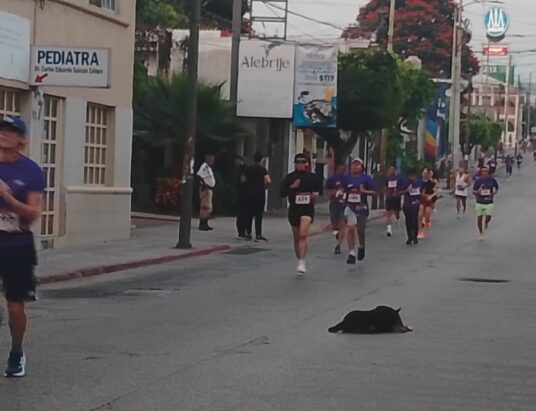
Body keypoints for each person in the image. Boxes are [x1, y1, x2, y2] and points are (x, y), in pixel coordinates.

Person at [0, 116, 45, 378]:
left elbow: (33, 213)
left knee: (15, 306)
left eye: (11, 131)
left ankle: (16, 351)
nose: (4, 134)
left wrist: (6, 196)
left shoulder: (31, 171)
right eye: (2, 129)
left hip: (17, 242)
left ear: (21, 139)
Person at [280, 153, 322, 274]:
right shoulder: (290, 177)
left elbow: (318, 192)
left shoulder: (313, 177)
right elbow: (281, 193)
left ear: (307, 163)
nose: (300, 164)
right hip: (294, 209)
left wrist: (314, 196)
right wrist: (292, 187)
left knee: (303, 235)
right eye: (298, 162)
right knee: (297, 237)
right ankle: (300, 258)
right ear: (295, 163)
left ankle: (302, 262)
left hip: (307, 209)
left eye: (303, 162)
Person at [343, 158, 376, 265]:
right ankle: (351, 253)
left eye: (358, 165)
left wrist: (364, 191)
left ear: (362, 167)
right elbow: (342, 189)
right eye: (353, 164)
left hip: (362, 207)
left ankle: (361, 246)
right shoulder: (347, 178)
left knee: (360, 230)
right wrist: (340, 192)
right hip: (350, 207)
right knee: (351, 228)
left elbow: (374, 192)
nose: (355, 167)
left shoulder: (366, 178)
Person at [242, 151, 271, 242]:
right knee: (259, 215)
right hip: (259, 194)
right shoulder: (263, 169)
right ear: (261, 159)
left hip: (249, 193)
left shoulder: (248, 169)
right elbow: (268, 180)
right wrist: (264, 185)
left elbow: (242, 180)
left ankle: (248, 233)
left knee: (249, 214)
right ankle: (258, 234)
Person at [325, 163, 347, 254]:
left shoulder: (347, 179)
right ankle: (337, 234)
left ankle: (338, 245)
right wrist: (332, 192)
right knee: (334, 224)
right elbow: (327, 190)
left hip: (344, 205)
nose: (343, 168)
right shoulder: (332, 178)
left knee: (342, 224)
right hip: (334, 204)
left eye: (344, 167)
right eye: (341, 166)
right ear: (337, 167)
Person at [473, 165, 499, 241]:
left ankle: (486, 222)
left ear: (488, 172)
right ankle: (481, 233)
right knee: (479, 218)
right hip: (479, 201)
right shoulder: (478, 180)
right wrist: (478, 192)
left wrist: (494, 193)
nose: (484, 173)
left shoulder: (492, 180)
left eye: (486, 171)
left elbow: (496, 188)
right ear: (481, 172)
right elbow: (473, 191)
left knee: (488, 217)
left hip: (489, 201)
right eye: (483, 171)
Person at [401, 168, 423, 245]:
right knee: (408, 221)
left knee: (414, 220)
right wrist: (406, 190)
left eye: (412, 176)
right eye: (410, 176)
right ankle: (409, 237)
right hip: (407, 204)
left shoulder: (419, 182)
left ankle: (415, 236)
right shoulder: (406, 182)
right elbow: (400, 191)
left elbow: (421, 191)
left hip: (415, 204)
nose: (411, 177)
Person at [197, 153, 216, 231]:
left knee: (208, 207)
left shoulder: (209, 168)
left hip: (210, 189)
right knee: (205, 207)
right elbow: (199, 175)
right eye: (211, 160)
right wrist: (204, 184)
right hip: (206, 189)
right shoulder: (204, 166)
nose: (213, 161)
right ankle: (202, 224)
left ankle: (206, 223)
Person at [384, 165, 404, 237]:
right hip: (389, 197)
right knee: (388, 213)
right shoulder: (387, 178)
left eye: (392, 169)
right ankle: (389, 230)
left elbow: (402, 187)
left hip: (396, 197)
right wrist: (386, 192)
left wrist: (398, 190)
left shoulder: (399, 178)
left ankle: (397, 219)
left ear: (395, 170)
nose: (391, 171)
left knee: (397, 211)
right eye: (390, 169)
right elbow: (385, 186)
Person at [418, 168, 437, 239]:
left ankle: (427, 220)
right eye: (423, 173)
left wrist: (431, 196)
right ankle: (420, 231)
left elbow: (435, 191)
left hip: (428, 200)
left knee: (427, 214)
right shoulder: (419, 182)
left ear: (428, 174)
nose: (424, 174)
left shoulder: (431, 183)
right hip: (421, 200)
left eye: (426, 173)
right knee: (420, 215)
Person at [236, 161, 250, 240]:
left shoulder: (238, 176)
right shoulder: (242, 177)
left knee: (242, 215)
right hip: (243, 198)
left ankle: (242, 231)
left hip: (242, 197)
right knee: (242, 215)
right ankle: (241, 232)